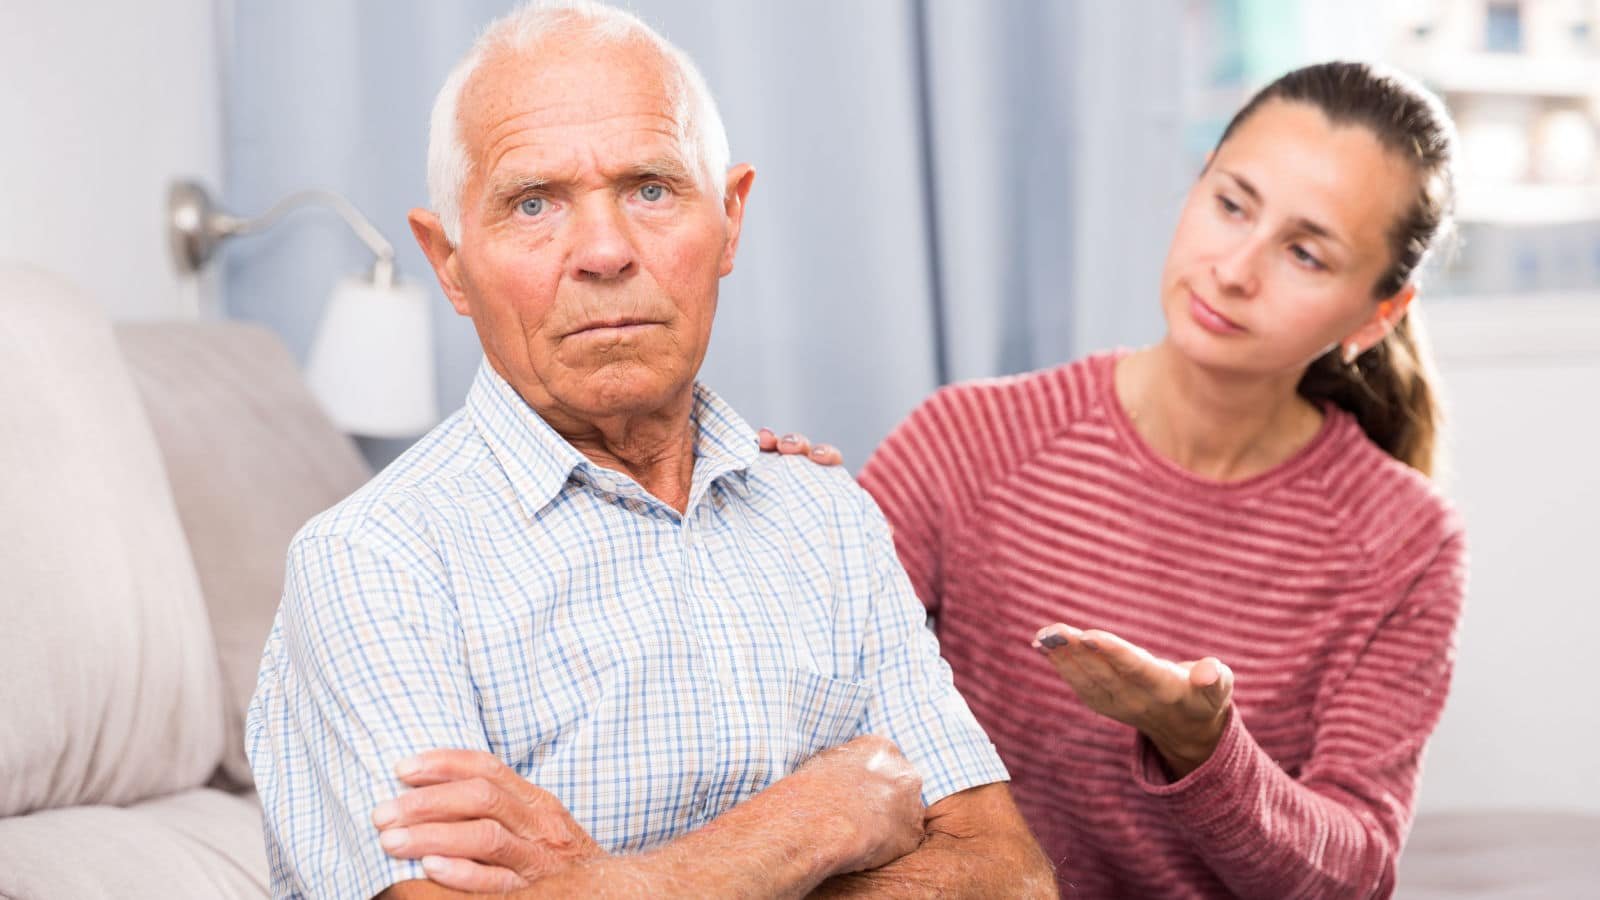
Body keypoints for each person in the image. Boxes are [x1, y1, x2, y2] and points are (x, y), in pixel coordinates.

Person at [244, 2, 1056, 898]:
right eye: (533, 201)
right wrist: (820, 818)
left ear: (732, 219)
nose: (603, 251)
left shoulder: (826, 517)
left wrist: (604, 885)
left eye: (651, 188)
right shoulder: (375, 563)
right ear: (448, 262)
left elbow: (1007, 873)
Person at [763, 61, 1468, 898]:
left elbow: (1352, 875)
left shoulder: (1407, 543)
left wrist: (1204, 750)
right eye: (1231, 204)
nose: (1235, 270)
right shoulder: (966, 443)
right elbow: (793, 712)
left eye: (1305, 253)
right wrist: (778, 535)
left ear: (1375, 317)